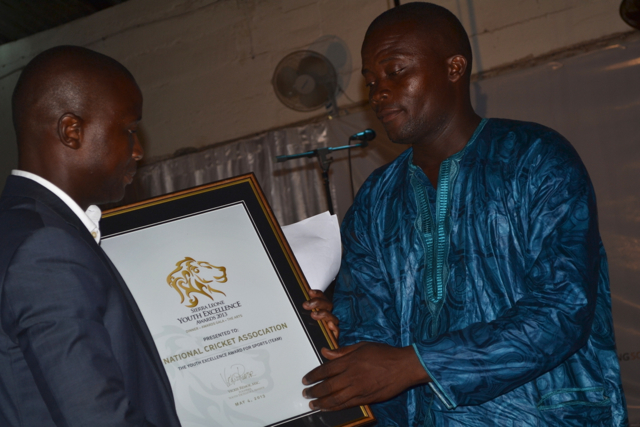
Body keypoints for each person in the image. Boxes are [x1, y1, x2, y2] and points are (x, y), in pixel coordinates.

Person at [302, 3, 628, 426]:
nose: (378, 92)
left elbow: (564, 309)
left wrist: (414, 364)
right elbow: (372, 339)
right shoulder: (375, 200)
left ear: (454, 68)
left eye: (395, 71)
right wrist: (334, 334)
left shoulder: (534, 157)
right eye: (370, 81)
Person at [0, 46, 181, 426]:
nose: (138, 150)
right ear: (72, 131)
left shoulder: (21, 230)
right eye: (129, 130)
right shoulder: (45, 249)